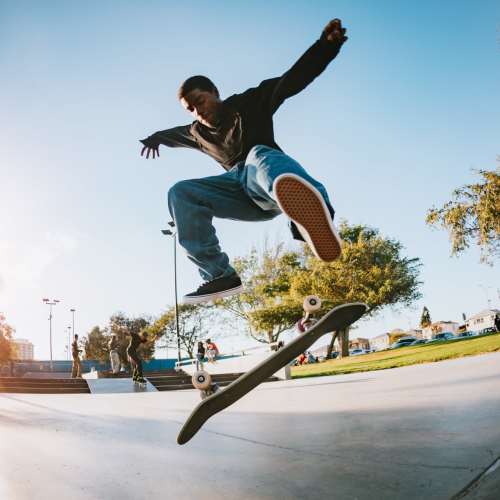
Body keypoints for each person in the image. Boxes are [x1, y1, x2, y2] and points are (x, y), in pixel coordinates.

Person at [141, 19, 348, 304]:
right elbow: (172, 135)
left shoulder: (252, 101)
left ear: (214, 91)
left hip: (267, 179)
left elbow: (293, 79)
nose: (197, 112)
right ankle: (219, 275)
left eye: (200, 101)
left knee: (257, 154)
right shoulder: (196, 133)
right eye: (190, 109)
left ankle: (310, 217)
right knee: (181, 192)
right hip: (237, 195)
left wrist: (326, 47)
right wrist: (155, 138)